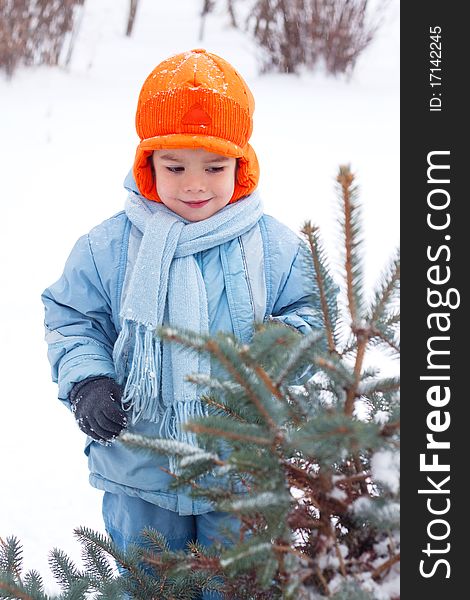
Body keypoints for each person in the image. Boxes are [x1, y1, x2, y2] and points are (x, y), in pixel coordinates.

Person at [41, 48, 320, 596]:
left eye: (214, 167)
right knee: (152, 585)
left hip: (240, 468)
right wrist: (88, 380)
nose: (195, 185)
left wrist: (275, 358)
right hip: (141, 465)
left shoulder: (274, 247)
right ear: (148, 165)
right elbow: (72, 317)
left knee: (238, 584)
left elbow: (314, 315)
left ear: (243, 165)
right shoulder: (110, 247)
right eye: (175, 167)